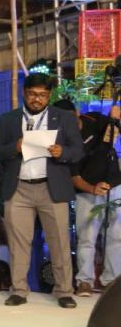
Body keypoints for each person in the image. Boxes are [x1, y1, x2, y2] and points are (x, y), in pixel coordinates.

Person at [0, 73, 84, 308]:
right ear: (24, 93)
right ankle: (19, 290)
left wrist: (62, 152)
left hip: (52, 188)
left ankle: (64, 291)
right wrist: (15, 147)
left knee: (59, 242)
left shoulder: (63, 118)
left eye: (42, 95)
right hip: (19, 188)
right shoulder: (10, 119)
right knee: (18, 243)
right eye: (32, 94)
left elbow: (78, 151)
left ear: (49, 96)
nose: (36, 99)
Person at [71, 104, 121, 296]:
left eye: (72, 116)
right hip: (86, 192)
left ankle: (111, 282)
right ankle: (84, 281)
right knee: (87, 238)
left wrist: (116, 118)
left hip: (114, 185)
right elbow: (73, 176)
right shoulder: (64, 138)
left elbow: (113, 134)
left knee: (116, 236)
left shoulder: (93, 119)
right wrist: (92, 188)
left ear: (77, 113)